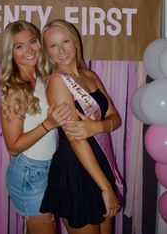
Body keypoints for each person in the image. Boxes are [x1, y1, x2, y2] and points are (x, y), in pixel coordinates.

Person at [40, 19, 122, 234]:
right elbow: (76, 138)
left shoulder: (90, 76)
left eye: (65, 41)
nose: (61, 50)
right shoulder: (58, 82)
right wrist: (106, 187)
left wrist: (98, 127)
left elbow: (115, 118)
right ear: (48, 52)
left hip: (100, 165)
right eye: (53, 45)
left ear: (75, 42)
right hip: (75, 173)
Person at [0, 20, 73, 234]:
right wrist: (48, 124)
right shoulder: (14, 90)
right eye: (19, 46)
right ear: (10, 52)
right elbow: (12, 147)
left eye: (32, 41)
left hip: (52, 167)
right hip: (29, 173)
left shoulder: (42, 77)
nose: (29, 50)